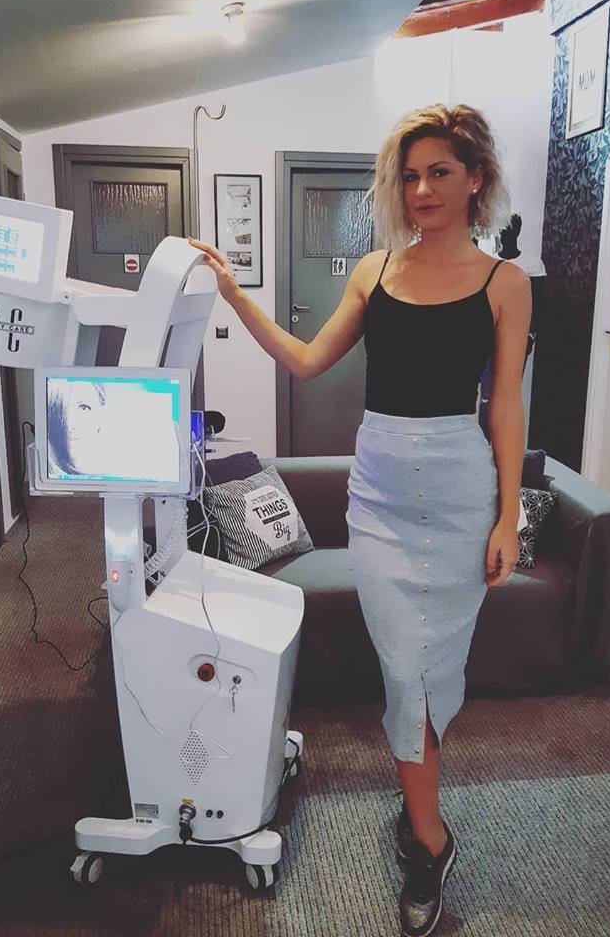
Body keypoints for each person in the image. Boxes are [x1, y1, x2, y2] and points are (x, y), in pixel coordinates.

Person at [188, 102, 531, 937]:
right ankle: (430, 840)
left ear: (475, 178)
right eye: (410, 176)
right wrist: (233, 292)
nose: (421, 190)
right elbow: (307, 361)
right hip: (378, 499)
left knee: (432, 672)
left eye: (439, 172)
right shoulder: (375, 273)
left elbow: (506, 406)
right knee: (404, 670)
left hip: (460, 495)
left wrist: (507, 513)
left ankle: (421, 818)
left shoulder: (505, 284)